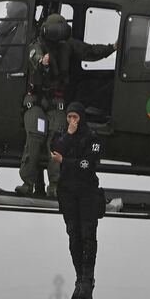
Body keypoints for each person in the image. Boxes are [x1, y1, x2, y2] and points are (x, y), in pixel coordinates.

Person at [16, 13, 116, 197]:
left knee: (58, 140)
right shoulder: (37, 46)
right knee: (36, 135)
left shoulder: (67, 45)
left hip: (56, 104)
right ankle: (27, 182)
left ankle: (55, 184)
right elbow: (34, 57)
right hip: (36, 102)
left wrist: (112, 48)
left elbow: (89, 51)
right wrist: (42, 61)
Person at [50, 101, 104, 299]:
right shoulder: (63, 135)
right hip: (68, 193)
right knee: (73, 236)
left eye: (75, 117)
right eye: (69, 117)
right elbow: (55, 150)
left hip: (87, 193)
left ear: (81, 118)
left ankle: (88, 278)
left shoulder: (93, 138)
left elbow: (87, 164)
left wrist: (66, 161)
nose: (72, 121)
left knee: (87, 236)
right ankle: (80, 278)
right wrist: (69, 137)